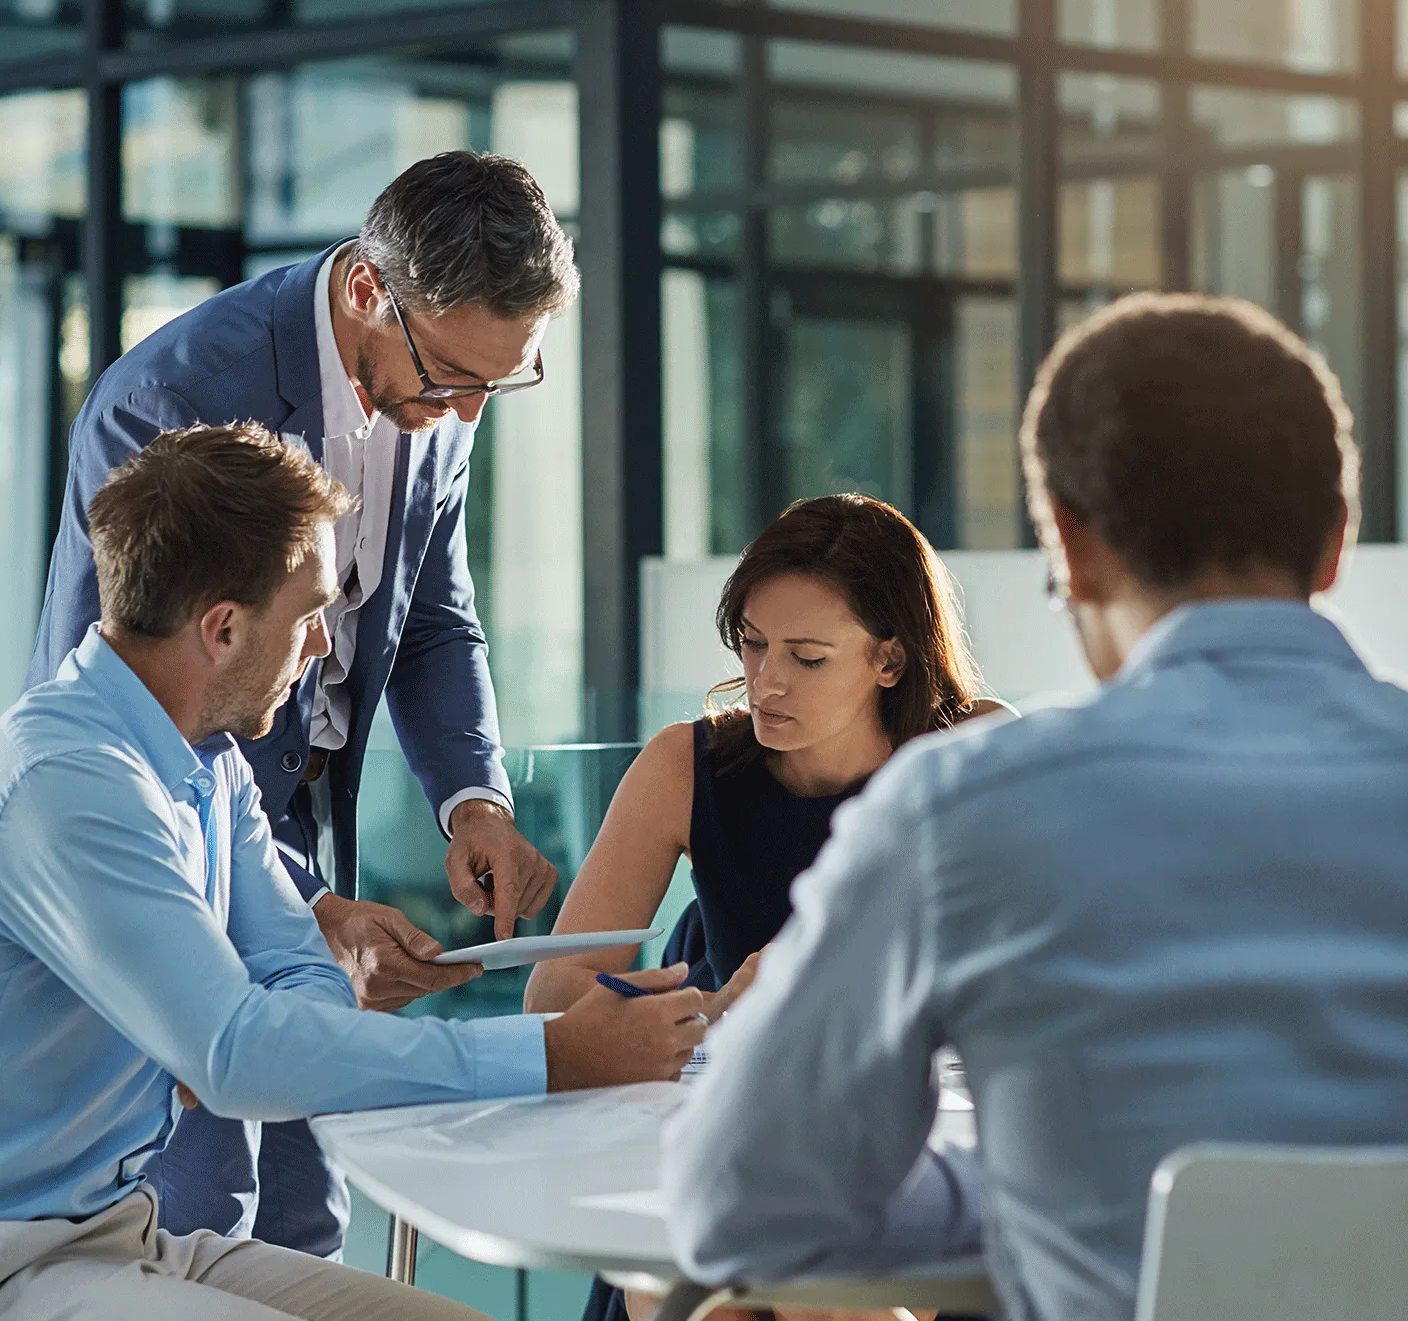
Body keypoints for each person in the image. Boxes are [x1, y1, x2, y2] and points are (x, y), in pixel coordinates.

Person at [660, 292, 1408, 1321]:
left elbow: (735, 1206)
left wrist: (1022, 1193)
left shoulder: (963, 809)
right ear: (1335, 542)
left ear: (1070, 543)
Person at [0, 423, 706, 1321]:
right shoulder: (73, 781)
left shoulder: (207, 757)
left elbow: (295, 974)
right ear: (222, 628)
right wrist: (555, 1053)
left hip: (122, 1233)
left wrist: (246, 1039)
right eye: (308, 616)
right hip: (20, 1257)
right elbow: (237, 1054)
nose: (323, 649)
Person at [27, 151, 574, 1255]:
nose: (467, 411)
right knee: (200, 1189)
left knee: (307, 1193)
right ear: (369, 290)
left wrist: (473, 799)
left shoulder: (446, 384)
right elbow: (139, 693)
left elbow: (431, 615)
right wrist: (301, 903)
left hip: (294, 810)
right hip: (175, 820)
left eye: (501, 384)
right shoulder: (170, 399)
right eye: (451, 379)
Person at [525, 494, 1004, 1023]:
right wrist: (716, 1009)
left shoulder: (977, 750)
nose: (765, 683)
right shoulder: (685, 766)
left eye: (807, 658)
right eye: (753, 643)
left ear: (889, 661)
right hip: (719, 1061)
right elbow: (551, 994)